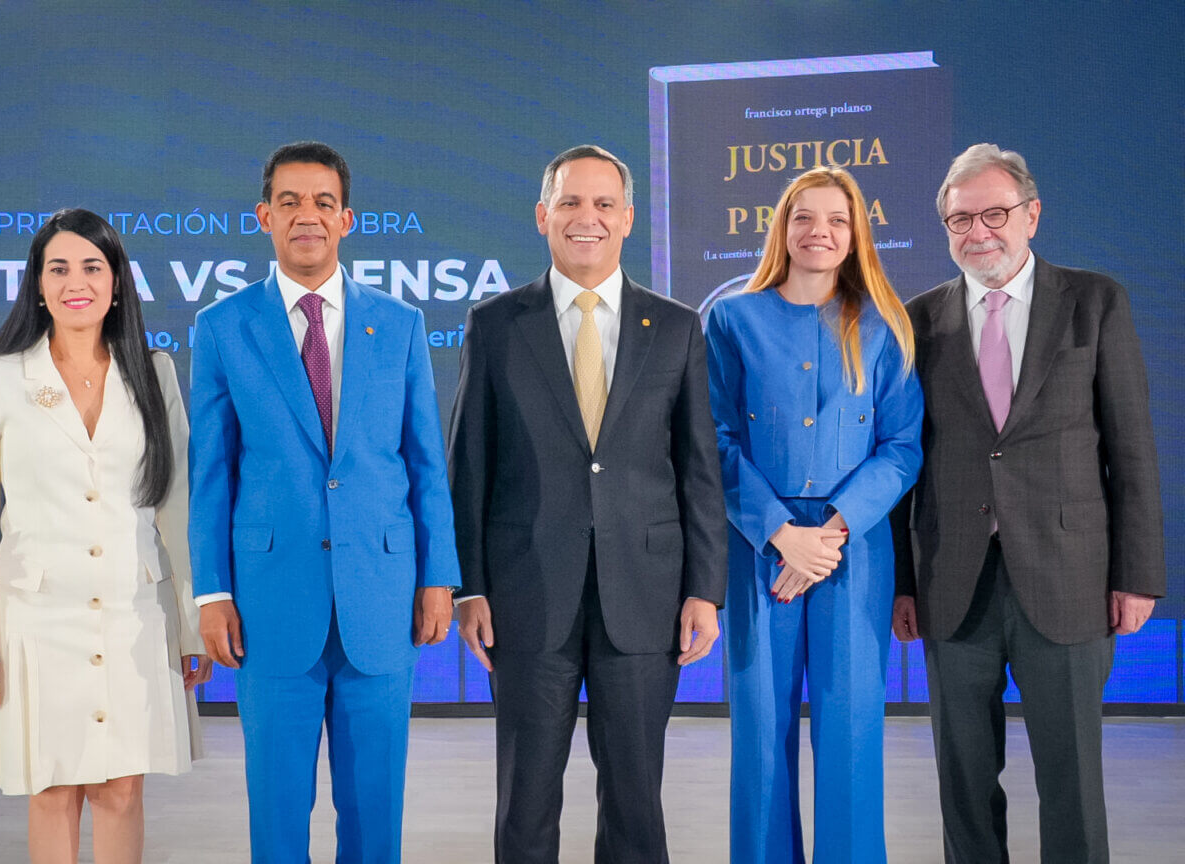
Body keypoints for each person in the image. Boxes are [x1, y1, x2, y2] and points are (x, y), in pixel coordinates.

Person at [448, 144, 725, 863]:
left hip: (646, 596)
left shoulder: (675, 326)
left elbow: (699, 470)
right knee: (526, 800)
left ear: (628, 218)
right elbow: (469, 466)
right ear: (543, 215)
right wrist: (469, 587)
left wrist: (705, 591)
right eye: (570, 202)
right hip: (526, 595)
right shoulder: (496, 324)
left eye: (604, 204)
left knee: (636, 802)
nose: (587, 217)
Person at [892, 144, 1166, 864]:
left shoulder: (1095, 302)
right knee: (963, 778)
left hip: (1071, 578)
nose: (978, 232)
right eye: (960, 220)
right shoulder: (917, 321)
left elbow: (1131, 450)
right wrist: (901, 583)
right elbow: (901, 461)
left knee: (1071, 778)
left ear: (1032, 215)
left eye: (995, 213)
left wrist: (1137, 576)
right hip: (953, 584)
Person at [188, 141, 460, 863]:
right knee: (278, 814)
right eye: (290, 202)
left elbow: (426, 462)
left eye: (322, 202)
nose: (306, 215)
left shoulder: (399, 324)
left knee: (375, 813)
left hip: (383, 596)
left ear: (346, 219)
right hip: (271, 601)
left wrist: (440, 576)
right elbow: (210, 473)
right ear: (264, 217)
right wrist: (211, 592)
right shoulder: (222, 326)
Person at [0, 208, 210, 864]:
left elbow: (177, 509)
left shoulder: (154, 371)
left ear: (116, 281)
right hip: (36, 616)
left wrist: (191, 623)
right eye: (58, 268)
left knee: (121, 789)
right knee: (53, 787)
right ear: (38, 285)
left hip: (134, 612)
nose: (76, 282)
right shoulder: (0, 375)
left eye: (92, 267)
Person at [705, 166, 922, 863]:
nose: (818, 231)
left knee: (851, 733)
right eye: (804, 217)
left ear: (856, 234)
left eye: (836, 219)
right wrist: (779, 532)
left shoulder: (885, 326)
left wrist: (827, 536)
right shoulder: (731, 320)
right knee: (760, 734)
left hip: (852, 551)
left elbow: (902, 447)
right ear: (782, 228)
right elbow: (714, 439)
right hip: (758, 550)